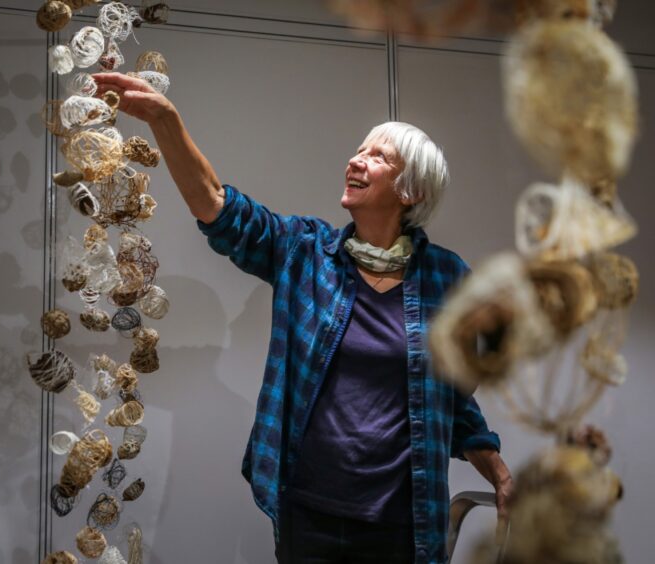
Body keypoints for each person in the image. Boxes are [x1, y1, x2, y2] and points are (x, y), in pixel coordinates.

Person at [92, 72, 513, 563]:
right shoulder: (306, 252)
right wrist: (166, 121)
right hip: (310, 513)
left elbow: (451, 397)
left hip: (404, 521)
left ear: (410, 190)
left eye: (379, 157)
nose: (357, 160)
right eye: (359, 150)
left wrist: (500, 474)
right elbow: (216, 206)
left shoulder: (447, 279)